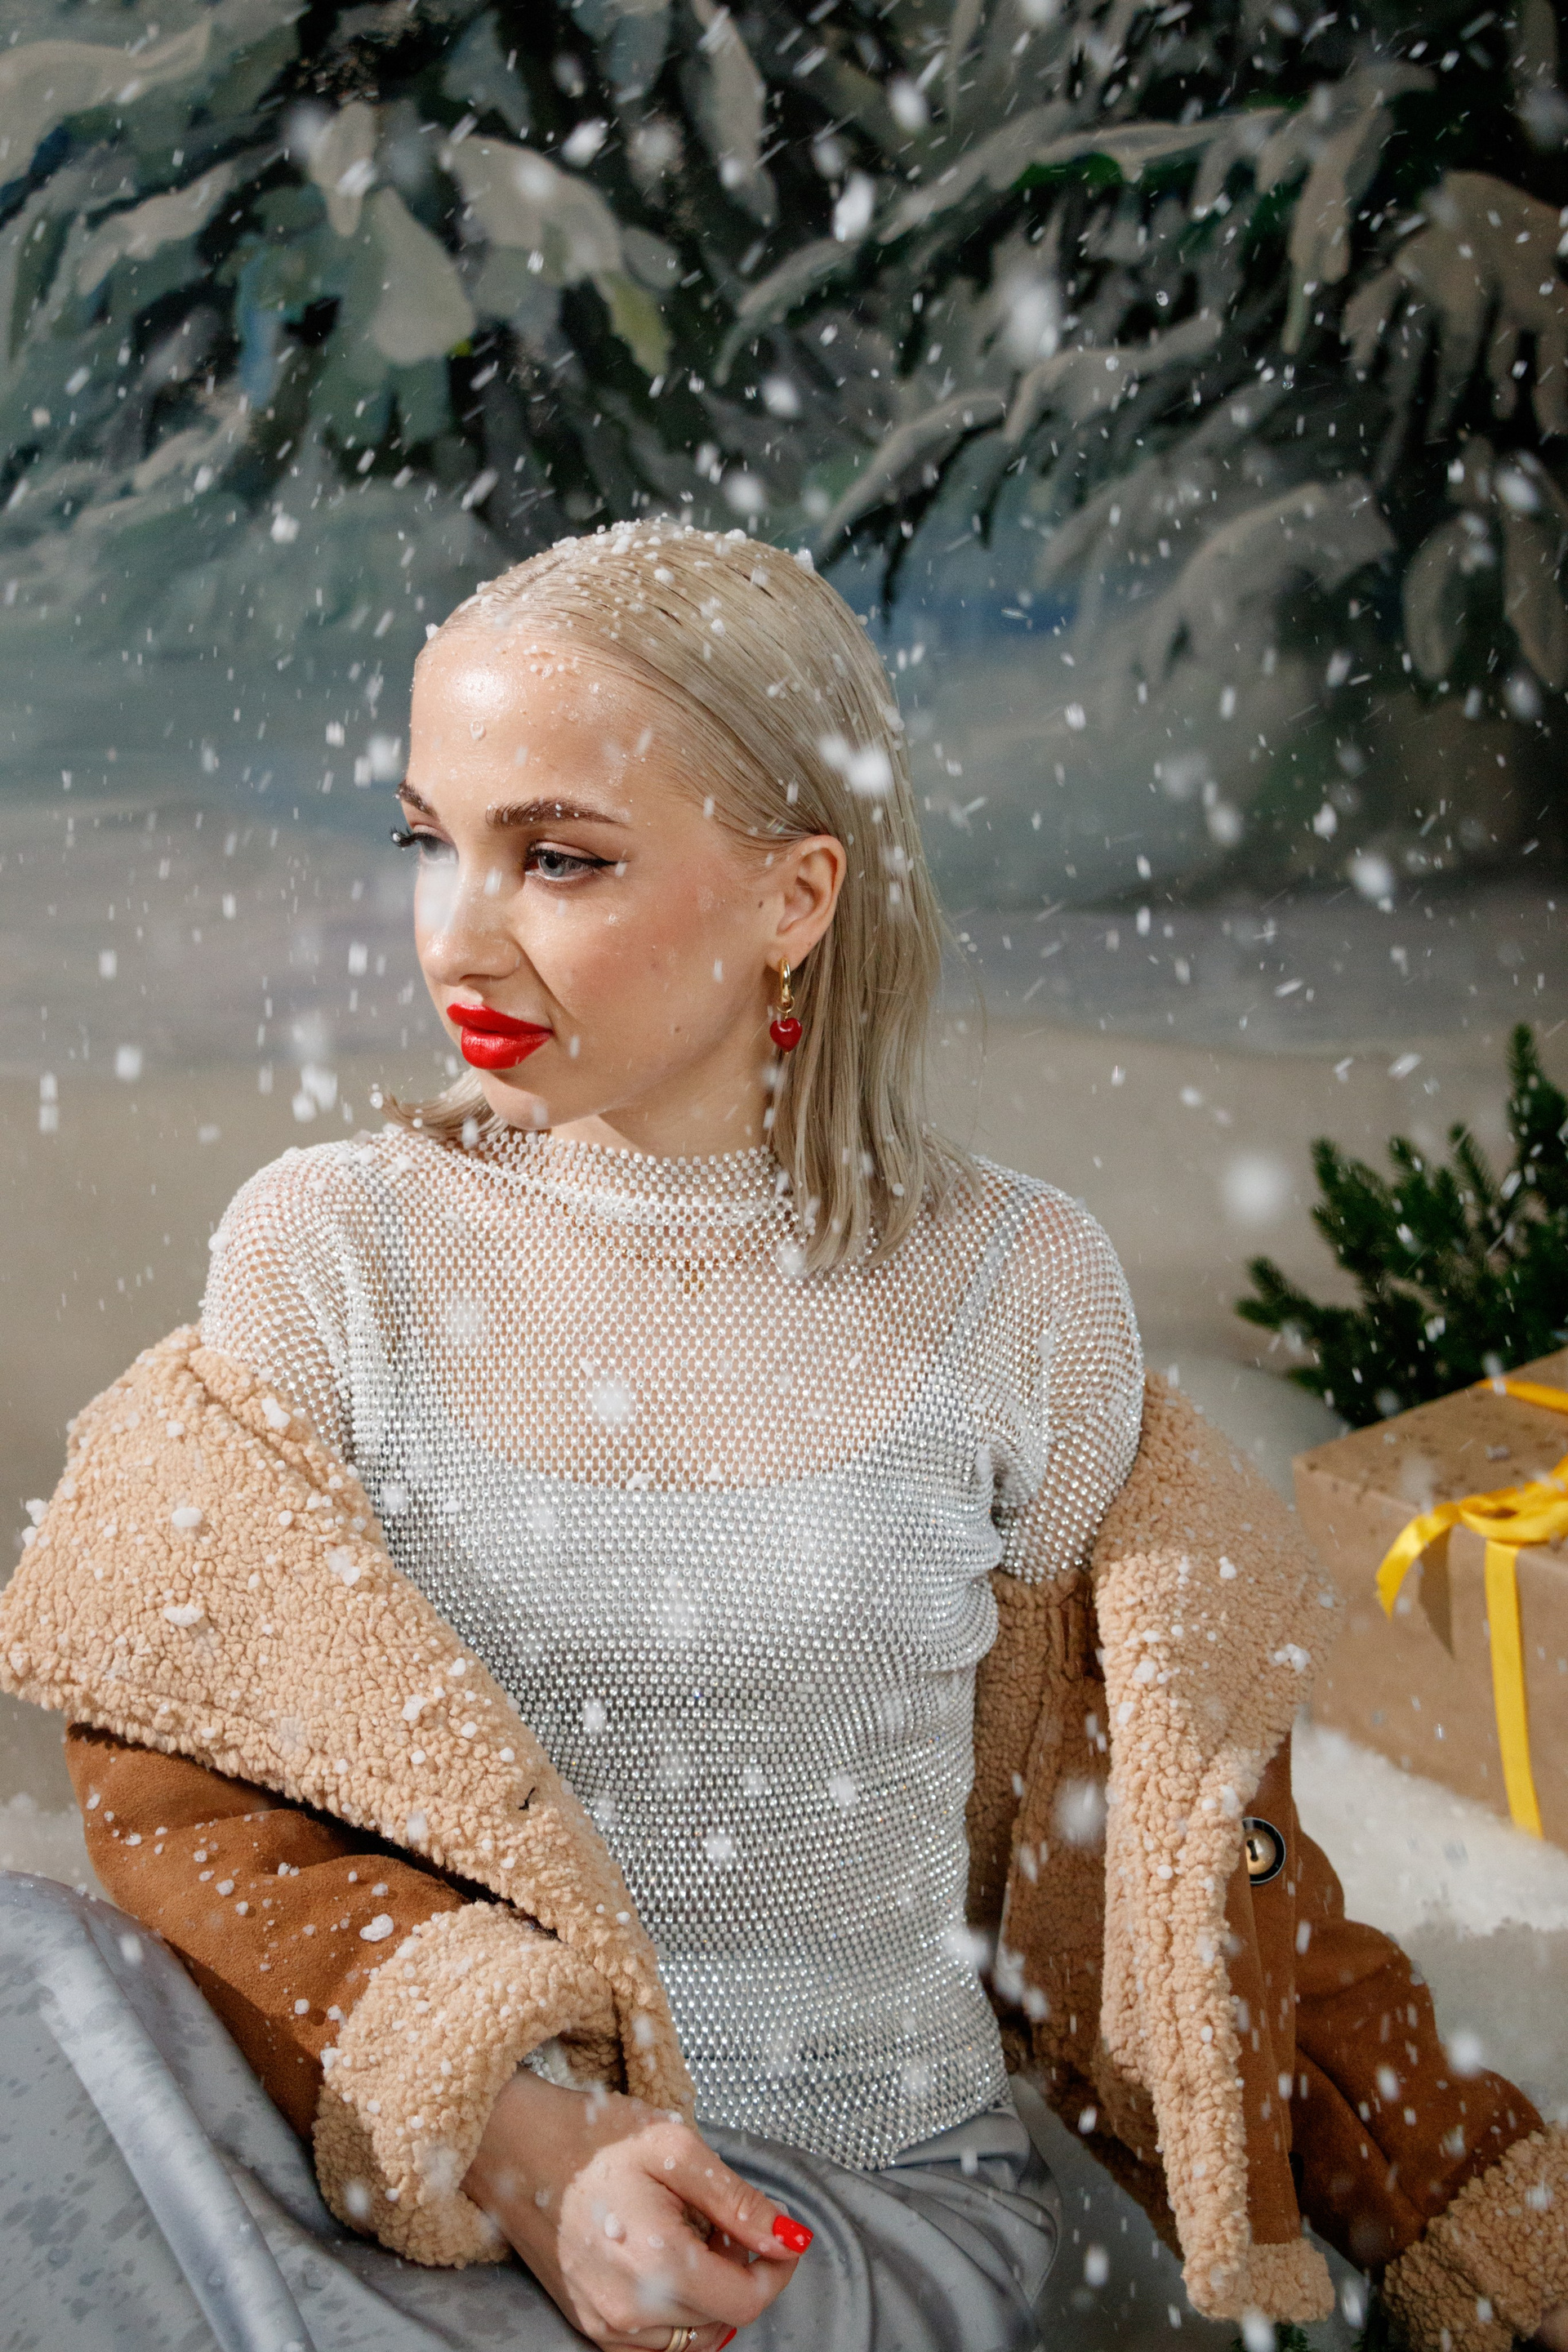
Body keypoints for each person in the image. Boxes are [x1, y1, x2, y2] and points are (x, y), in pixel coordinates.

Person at [2, 525, 1566, 2352]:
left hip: (820, 2212)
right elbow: (193, 1789)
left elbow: (1170, 1846)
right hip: (413, 2156)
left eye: (558, 858)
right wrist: (519, 2133)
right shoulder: (326, 1252)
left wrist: (1476, 2216)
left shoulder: (1011, 1288)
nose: (459, 933)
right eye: (431, 840)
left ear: (796, 896)